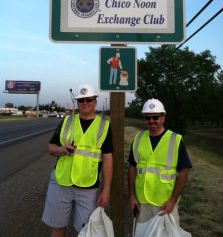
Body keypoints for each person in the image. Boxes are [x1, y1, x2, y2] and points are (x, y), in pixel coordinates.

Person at [42, 84, 113, 237]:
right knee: (58, 226)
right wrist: (61, 149)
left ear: (95, 102)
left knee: (87, 230)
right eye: (81, 100)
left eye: (88, 100)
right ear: (77, 102)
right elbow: (50, 148)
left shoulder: (104, 126)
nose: (85, 103)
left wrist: (106, 190)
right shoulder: (66, 121)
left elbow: (108, 159)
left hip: (88, 186)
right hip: (61, 182)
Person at [128, 98, 192, 226]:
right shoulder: (138, 139)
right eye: (147, 118)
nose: (151, 121)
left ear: (163, 118)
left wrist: (173, 201)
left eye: (155, 117)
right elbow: (132, 168)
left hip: (165, 205)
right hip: (143, 202)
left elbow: (184, 172)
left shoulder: (175, 140)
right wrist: (132, 196)